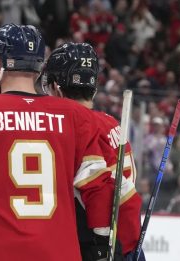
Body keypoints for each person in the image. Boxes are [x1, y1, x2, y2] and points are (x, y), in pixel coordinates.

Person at [0, 24, 116, 260]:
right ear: (38, 68)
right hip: (57, 252)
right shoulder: (76, 116)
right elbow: (98, 186)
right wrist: (102, 240)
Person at [42, 42, 145, 261]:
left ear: (55, 86)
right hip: (128, 241)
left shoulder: (75, 126)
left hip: (99, 243)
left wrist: (99, 248)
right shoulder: (111, 123)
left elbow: (97, 188)